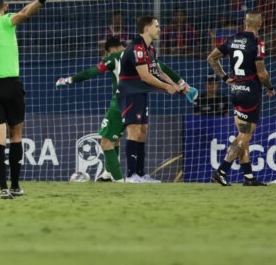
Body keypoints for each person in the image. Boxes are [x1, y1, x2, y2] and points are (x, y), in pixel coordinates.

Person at [58, 36, 195, 181]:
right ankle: (110, 174)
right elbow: (163, 69)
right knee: (123, 138)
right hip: (139, 100)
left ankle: (119, 181)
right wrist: (181, 83)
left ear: (111, 50)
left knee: (106, 142)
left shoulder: (113, 58)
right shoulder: (139, 55)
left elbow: (91, 72)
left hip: (120, 102)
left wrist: (69, 80)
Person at [0, 0, 60, 199]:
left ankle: (2, 189)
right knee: (17, 135)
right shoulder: (4, 21)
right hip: (10, 85)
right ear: (5, 5)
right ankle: (15, 186)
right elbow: (24, 14)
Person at [207, 10, 274, 186]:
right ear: (259, 24)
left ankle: (248, 177)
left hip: (236, 91)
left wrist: (223, 78)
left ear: (245, 23)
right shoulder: (257, 42)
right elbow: (261, 73)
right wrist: (270, 87)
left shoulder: (232, 39)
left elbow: (211, 58)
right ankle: (221, 171)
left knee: (243, 135)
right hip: (250, 92)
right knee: (245, 135)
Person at [117, 15, 184, 183]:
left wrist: (175, 84)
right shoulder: (137, 47)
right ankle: (131, 175)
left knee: (143, 132)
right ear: (146, 29)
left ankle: (140, 174)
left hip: (141, 93)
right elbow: (146, 76)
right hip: (130, 92)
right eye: (156, 26)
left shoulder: (150, 49)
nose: (159, 29)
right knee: (134, 131)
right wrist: (166, 87)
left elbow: (158, 71)